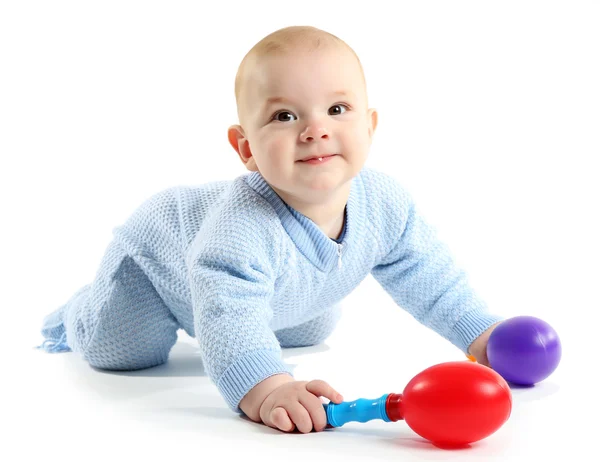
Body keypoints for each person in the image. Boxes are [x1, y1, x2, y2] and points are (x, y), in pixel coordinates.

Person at [37, 25, 503, 434]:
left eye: (338, 109)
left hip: (283, 290)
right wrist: (267, 388)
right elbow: (229, 314)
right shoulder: (240, 229)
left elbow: (432, 278)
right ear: (246, 147)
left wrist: (483, 337)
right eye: (285, 116)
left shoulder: (385, 202)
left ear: (370, 125)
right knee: (122, 351)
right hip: (160, 264)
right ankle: (81, 310)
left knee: (312, 325)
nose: (315, 129)